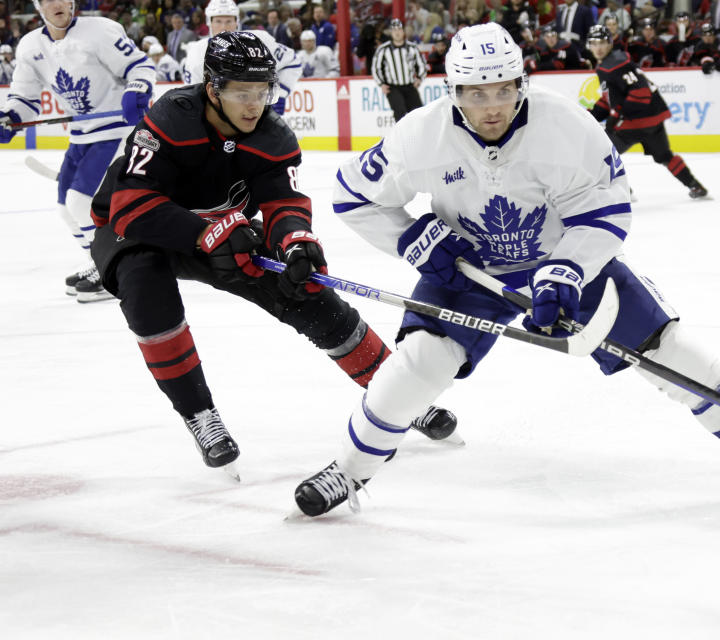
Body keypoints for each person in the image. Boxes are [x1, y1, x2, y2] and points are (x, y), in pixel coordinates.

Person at [294, 22, 720, 517]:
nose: (492, 106)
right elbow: (353, 195)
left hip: (564, 261)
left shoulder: (567, 126)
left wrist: (568, 268)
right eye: (477, 93)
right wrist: (413, 239)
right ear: (452, 90)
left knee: (670, 349)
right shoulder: (420, 135)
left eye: (503, 88)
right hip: (468, 271)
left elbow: (607, 206)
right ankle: (350, 470)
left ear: (522, 82)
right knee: (416, 365)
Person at [88, 31, 456, 478]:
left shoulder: (272, 134)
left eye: (262, 91)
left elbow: (283, 202)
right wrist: (206, 233)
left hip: (224, 230)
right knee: (147, 290)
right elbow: (130, 206)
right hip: (139, 231)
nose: (254, 104)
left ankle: (394, 394)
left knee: (304, 289)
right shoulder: (170, 119)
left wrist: (296, 241)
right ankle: (200, 415)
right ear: (212, 90)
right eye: (242, 92)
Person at [0, 0, 154, 302]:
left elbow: (139, 65)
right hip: (81, 135)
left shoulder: (100, 31)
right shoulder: (30, 45)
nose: (57, 3)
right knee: (63, 207)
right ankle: (100, 263)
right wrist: (10, 117)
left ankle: (114, 269)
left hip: (114, 130)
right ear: (39, 7)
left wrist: (137, 89)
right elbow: (24, 96)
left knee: (81, 201)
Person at [586, 25, 707, 199]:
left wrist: (615, 116)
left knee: (600, 152)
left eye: (602, 43)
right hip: (653, 119)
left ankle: (624, 190)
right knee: (665, 156)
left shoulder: (613, 65)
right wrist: (593, 114)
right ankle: (695, 186)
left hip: (635, 122)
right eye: (594, 43)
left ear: (610, 44)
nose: (598, 48)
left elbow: (640, 94)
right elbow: (612, 97)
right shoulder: (614, 61)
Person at [181, 0, 301, 116]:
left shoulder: (257, 41)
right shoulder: (197, 52)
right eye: (218, 21)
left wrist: (281, 94)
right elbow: (194, 95)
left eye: (229, 21)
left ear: (237, 22)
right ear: (209, 23)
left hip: (256, 117)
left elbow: (292, 62)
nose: (224, 27)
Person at [371, 19, 426, 123]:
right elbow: (376, 68)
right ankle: (402, 137)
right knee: (400, 112)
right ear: (391, 32)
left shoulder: (412, 48)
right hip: (393, 87)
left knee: (418, 113)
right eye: (394, 30)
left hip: (409, 85)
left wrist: (419, 78)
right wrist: (381, 84)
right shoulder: (383, 49)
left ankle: (418, 136)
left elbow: (422, 64)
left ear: (403, 31)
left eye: (399, 29)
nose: (397, 32)